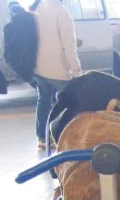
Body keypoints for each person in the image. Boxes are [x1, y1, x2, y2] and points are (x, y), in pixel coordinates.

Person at [32, 0, 82, 150]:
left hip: (39, 67)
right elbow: (69, 46)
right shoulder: (62, 12)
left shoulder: (38, 7)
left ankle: (42, 138)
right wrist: (77, 70)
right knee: (74, 101)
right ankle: (68, 135)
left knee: (44, 101)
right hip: (58, 69)